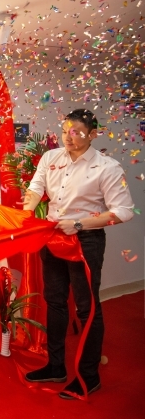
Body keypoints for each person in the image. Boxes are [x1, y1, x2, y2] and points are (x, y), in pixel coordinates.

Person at [22, 109, 134, 399]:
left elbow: (124, 211)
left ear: (93, 134)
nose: (68, 138)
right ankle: (56, 365)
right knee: (55, 301)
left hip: (86, 240)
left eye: (76, 133)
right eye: (65, 131)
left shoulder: (107, 167)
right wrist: (26, 212)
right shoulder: (51, 157)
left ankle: (89, 376)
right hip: (53, 236)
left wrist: (80, 224)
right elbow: (35, 188)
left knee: (87, 308)